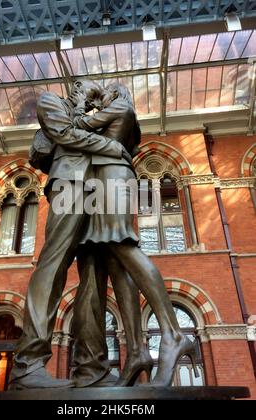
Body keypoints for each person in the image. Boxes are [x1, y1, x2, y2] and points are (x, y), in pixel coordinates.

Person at [73, 83, 199, 387]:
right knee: (115, 261)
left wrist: (80, 103)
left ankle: (173, 333)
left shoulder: (121, 107)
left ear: (115, 94)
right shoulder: (116, 114)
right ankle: (138, 351)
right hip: (104, 180)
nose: (97, 97)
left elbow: (77, 127)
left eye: (102, 93)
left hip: (112, 178)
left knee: (122, 244)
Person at [9, 81, 130, 390]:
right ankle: (28, 364)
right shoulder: (52, 102)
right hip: (70, 183)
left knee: (94, 276)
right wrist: (111, 146)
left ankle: (92, 367)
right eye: (90, 89)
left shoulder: (94, 115)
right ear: (76, 86)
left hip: (98, 189)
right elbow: (65, 134)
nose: (95, 93)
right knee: (54, 263)